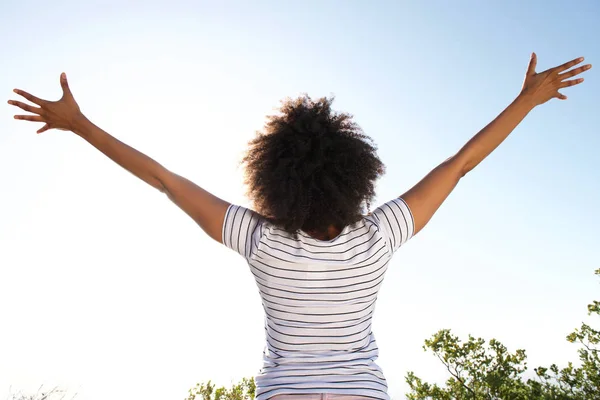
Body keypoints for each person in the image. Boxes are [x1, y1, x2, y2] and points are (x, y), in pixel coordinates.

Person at [8, 53, 591, 400]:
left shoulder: (259, 239)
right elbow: (460, 165)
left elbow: (164, 178)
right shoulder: (379, 235)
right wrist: (526, 101)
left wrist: (83, 126)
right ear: (355, 176)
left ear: (276, 182)